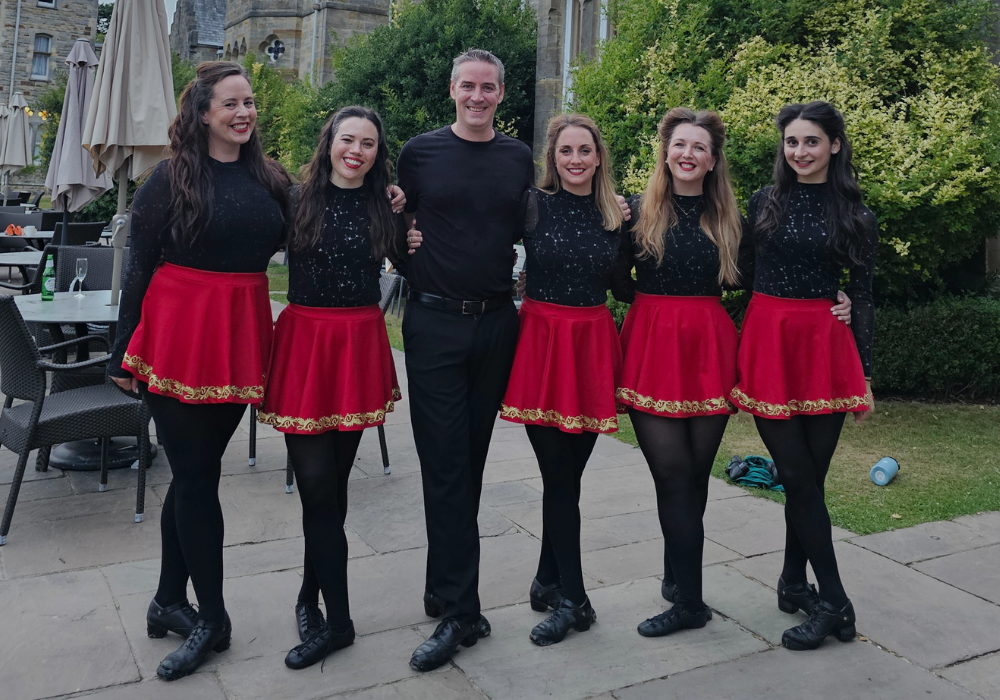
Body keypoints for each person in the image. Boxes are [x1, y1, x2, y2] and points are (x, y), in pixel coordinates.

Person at [613, 109, 852, 637]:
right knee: (671, 474)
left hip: (709, 348)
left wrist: (836, 296)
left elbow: (760, 273)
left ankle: (681, 580)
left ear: (713, 159)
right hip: (653, 343)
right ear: (666, 151)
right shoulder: (634, 211)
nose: (688, 155)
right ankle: (690, 601)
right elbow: (612, 275)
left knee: (695, 475)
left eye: (699, 147)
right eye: (680, 145)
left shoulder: (731, 219)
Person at [108, 62, 291, 681]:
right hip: (178, 335)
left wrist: (390, 203)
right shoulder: (170, 177)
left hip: (239, 333)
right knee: (197, 478)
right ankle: (210, 617)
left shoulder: (270, 179)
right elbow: (137, 267)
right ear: (203, 112)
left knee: (196, 473)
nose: (244, 113)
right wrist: (118, 353)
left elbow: (317, 227)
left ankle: (166, 600)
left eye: (250, 103)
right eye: (231, 103)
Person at [396, 48, 534, 672]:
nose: (477, 97)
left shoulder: (517, 158)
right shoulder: (419, 153)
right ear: (451, 90)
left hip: (495, 324)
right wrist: (407, 246)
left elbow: (534, 232)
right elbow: (390, 230)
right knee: (445, 463)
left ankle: (441, 585)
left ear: (502, 94)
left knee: (467, 464)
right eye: (467, 87)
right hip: (432, 324)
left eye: (488, 88)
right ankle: (461, 612)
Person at [256, 106, 406, 670]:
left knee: (332, 488)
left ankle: (310, 597)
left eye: (368, 143)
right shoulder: (294, 201)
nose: (357, 150)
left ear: (376, 153)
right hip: (306, 343)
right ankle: (336, 620)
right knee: (317, 485)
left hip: (356, 346)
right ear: (330, 143)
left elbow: (420, 258)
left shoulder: (385, 207)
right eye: (349, 139)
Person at [732, 100, 877, 651]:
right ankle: (836, 599)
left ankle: (796, 583)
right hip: (771, 340)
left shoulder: (857, 215)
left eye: (811, 142)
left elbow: (862, 296)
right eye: (791, 143)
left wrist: (863, 373)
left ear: (834, 146)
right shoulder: (764, 202)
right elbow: (742, 272)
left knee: (808, 480)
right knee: (796, 476)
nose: (800, 152)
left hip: (825, 349)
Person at [500, 113, 624, 645]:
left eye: (585, 151)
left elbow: (635, 283)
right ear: (553, 158)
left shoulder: (620, 215)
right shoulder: (532, 205)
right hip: (543, 343)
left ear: (599, 158)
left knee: (568, 477)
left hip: (592, 345)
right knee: (558, 478)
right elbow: (480, 238)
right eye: (566, 151)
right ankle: (575, 599)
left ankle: (548, 578)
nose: (576, 160)